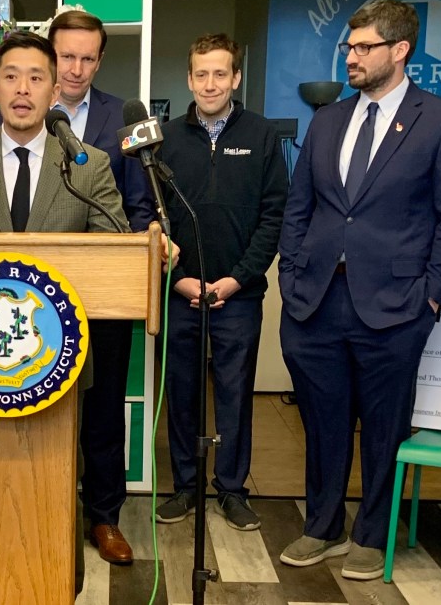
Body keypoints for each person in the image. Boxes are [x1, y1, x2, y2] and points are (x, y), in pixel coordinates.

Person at [277, 0, 441, 580]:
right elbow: (301, 207)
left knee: (385, 423)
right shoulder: (328, 121)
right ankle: (322, 525)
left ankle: (371, 532)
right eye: (349, 47)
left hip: (396, 304)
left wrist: (433, 295)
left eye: (364, 47)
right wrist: (290, 278)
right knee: (322, 419)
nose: (352, 57)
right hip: (315, 300)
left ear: (400, 50)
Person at [0, 30, 128, 595]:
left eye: (36, 78)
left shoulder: (86, 166)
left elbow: (113, 254)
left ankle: (54, 581)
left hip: (57, 364)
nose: (23, 89)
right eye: (12, 76)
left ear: (53, 92)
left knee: (50, 495)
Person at [153, 34, 287, 532]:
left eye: (220, 74)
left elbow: (275, 216)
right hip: (180, 294)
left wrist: (236, 279)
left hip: (239, 295)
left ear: (235, 78)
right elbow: (152, 216)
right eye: (200, 74)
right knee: (183, 393)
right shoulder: (164, 138)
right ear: (189, 79)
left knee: (234, 394)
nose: (210, 83)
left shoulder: (263, 135)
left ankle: (231, 489)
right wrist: (179, 279)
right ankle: (186, 487)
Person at [46, 8, 156, 565]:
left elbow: (139, 204)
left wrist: (150, 236)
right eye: (67, 56)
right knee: (39, 408)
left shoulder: (122, 117)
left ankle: (104, 517)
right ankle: (47, 510)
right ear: (52, 53)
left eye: (88, 58)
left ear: (100, 59)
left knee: (105, 409)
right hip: (39, 298)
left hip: (106, 295)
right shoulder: (23, 110)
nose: (76, 69)